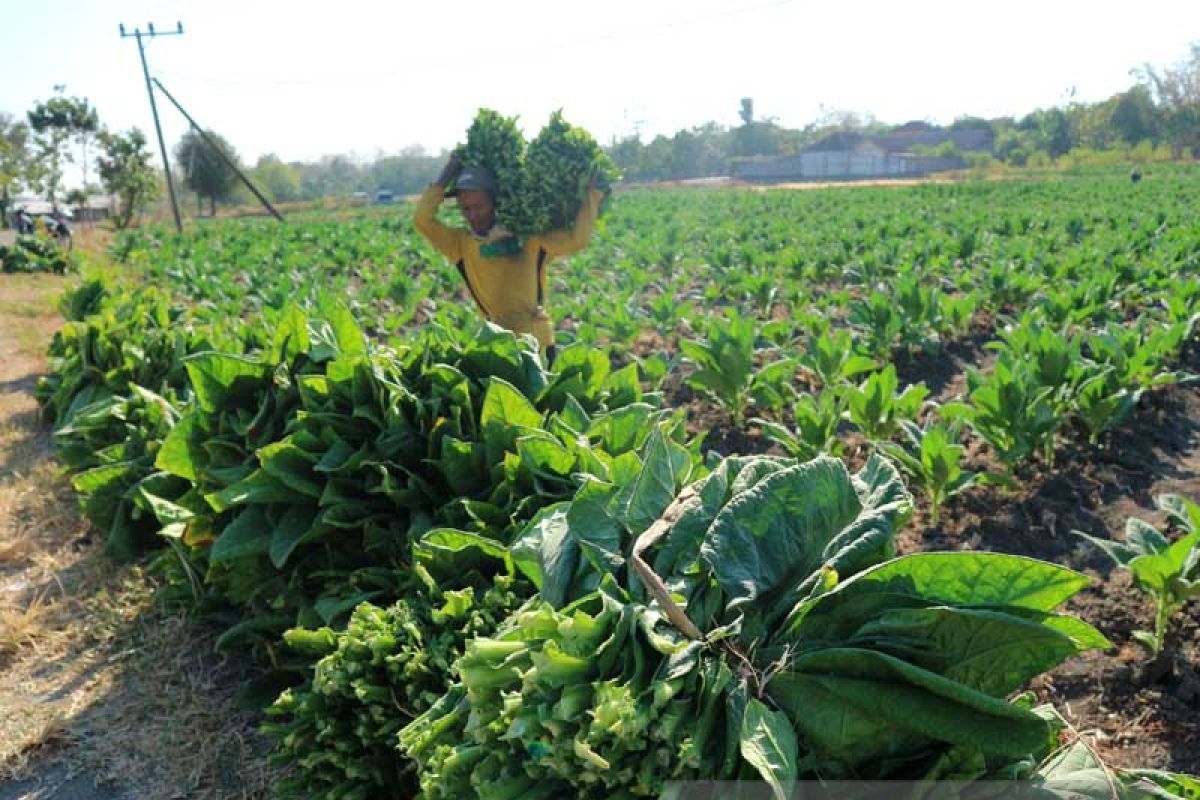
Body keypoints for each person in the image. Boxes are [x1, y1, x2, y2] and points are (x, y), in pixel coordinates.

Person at [413, 150, 603, 364]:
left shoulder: (529, 237)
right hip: (498, 345)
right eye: (466, 208)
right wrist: (447, 174)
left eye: (479, 206)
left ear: (495, 203)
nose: (472, 215)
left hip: (537, 341)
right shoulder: (459, 244)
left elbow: (577, 240)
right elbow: (422, 220)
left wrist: (591, 195)